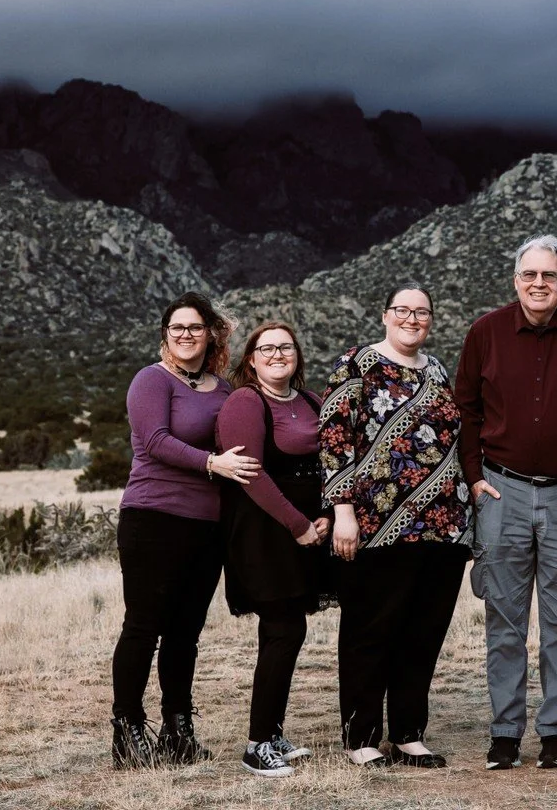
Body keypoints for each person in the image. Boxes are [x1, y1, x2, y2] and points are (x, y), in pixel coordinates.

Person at [454, 234, 557, 771]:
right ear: (516, 279)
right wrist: (475, 478)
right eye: (530, 275)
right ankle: (505, 732)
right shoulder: (486, 332)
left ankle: (555, 732)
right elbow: (467, 412)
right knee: (503, 618)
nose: (539, 284)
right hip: (502, 492)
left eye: (549, 275)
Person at [319, 281, 472, 769]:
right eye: (402, 310)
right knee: (371, 631)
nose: (412, 319)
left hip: (443, 528)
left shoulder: (440, 370)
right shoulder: (357, 363)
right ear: (385, 315)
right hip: (377, 526)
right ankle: (361, 737)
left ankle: (409, 734)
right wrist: (341, 508)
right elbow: (334, 436)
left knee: (423, 632)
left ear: (431, 319)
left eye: (421, 311)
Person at [111, 291, 255, 769]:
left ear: (210, 333)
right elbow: (154, 442)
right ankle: (129, 732)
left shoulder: (224, 390)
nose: (187, 335)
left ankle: (178, 730)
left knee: (185, 634)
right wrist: (213, 463)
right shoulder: (151, 381)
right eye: (178, 328)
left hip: (206, 526)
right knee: (143, 626)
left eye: (196, 327)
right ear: (165, 335)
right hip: (153, 518)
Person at [216, 320, 332, 778]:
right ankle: (256, 745)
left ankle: (272, 732)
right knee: (283, 631)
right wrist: (299, 524)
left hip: (305, 531)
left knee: (288, 632)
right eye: (267, 348)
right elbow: (250, 474)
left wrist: (325, 512)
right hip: (264, 533)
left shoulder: (310, 402)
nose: (277, 354)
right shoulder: (245, 402)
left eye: (286, 347)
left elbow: (332, 461)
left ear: (297, 355)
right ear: (251, 359)